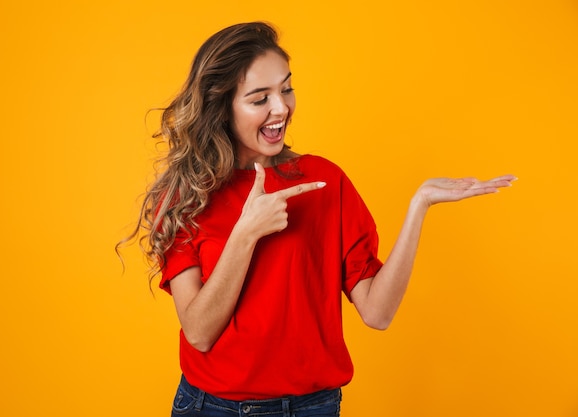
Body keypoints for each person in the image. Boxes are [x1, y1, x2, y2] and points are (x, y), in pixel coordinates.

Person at [121, 21, 515, 417]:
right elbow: (199, 333)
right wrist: (246, 233)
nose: (282, 108)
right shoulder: (188, 195)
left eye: (286, 89)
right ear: (221, 107)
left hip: (312, 408)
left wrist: (420, 205)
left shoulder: (324, 181)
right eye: (260, 99)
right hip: (212, 407)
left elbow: (378, 313)